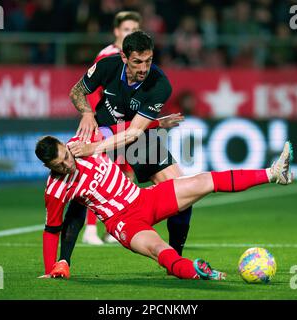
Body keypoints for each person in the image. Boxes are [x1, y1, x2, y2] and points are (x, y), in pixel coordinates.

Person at [35, 132, 293, 279]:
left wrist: (157, 125)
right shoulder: (55, 189)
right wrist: (53, 268)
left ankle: (273, 173)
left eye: (66, 156)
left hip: (144, 198)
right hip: (124, 223)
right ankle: (195, 272)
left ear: (66, 146)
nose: (67, 164)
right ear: (49, 168)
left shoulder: (84, 143)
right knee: (160, 248)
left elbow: (123, 135)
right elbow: (52, 229)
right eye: (59, 165)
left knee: (204, 180)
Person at [58, 29, 196, 274]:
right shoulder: (107, 66)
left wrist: (92, 147)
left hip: (137, 138)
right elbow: (76, 91)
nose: (144, 68)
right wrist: (88, 113)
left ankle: (176, 259)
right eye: (137, 62)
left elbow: (133, 133)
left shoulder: (160, 84)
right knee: (80, 196)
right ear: (124, 57)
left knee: (183, 194)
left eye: (149, 61)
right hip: (103, 132)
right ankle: (63, 262)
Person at [82, 11, 142, 245]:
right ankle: (89, 230)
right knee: (100, 174)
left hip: (125, 124)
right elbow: (92, 87)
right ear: (117, 31)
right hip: (105, 122)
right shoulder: (106, 56)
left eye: (135, 30)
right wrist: (95, 118)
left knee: (127, 174)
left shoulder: (136, 58)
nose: (130, 34)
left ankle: (113, 229)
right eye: (127, 29)